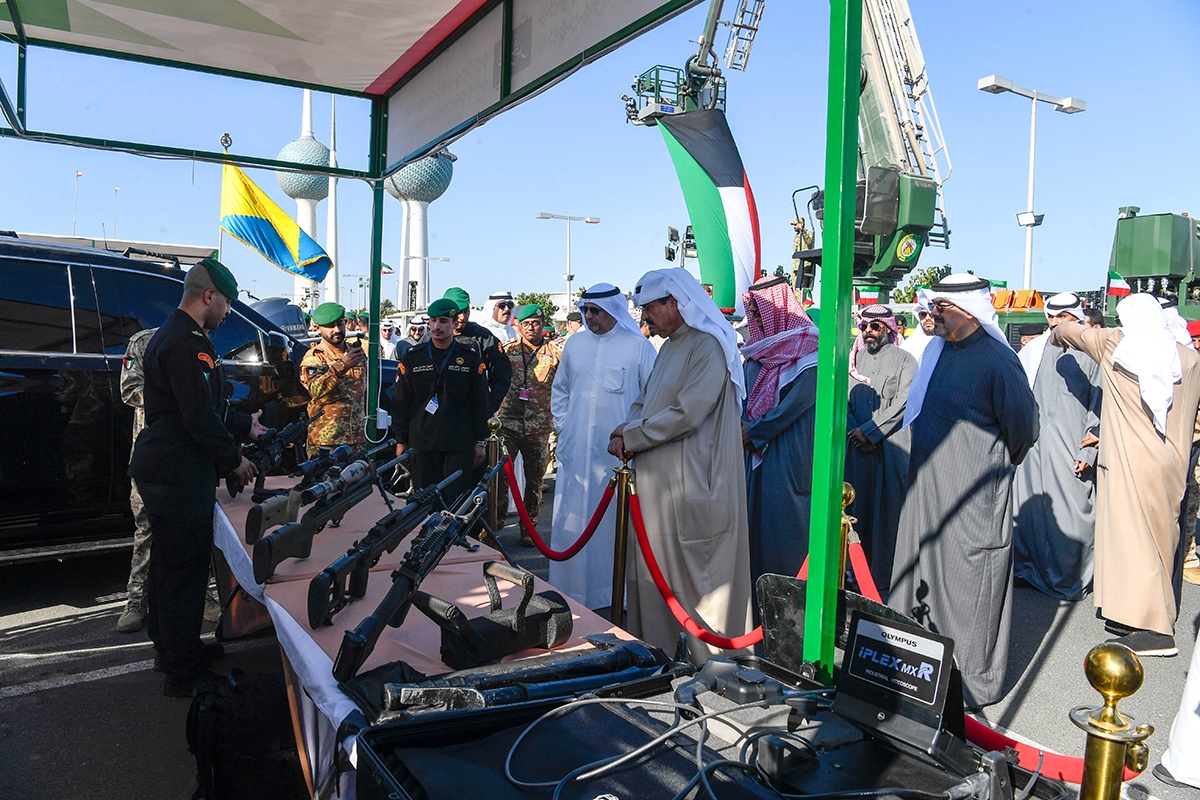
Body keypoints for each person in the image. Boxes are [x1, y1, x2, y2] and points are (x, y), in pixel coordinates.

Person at [888, 274, 1038, 709]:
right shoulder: (937, 351)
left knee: (968, 585)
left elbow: (1024, 430)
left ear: (969, 312)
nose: (932, 314)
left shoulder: (998, 361)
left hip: (973, 497)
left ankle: (970, 683)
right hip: (927, 493)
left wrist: (983, 463)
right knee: (922, 575)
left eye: (941, 307)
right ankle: (919, 669)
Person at [128, 258, 263, 696]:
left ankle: (174, 649)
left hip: (169, 466)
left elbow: (204, 405)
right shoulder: (185, 343)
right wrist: (234, 460)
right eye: (227, 303)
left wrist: (243, 425)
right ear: (209, 296)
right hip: (176, 470)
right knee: (182, 571)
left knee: (171, 567)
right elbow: (197, 415)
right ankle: (182, 671)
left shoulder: (180, 336)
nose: (228, 312)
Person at [609, 268, 754, 661]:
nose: (645, 317)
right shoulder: (670, 347)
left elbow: (687, 413)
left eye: (650, 308)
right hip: (659, 489)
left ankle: (711, 665)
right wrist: (625, 430)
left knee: (699, 583)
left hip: (695, 487)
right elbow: (644, 401)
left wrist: (632, 436)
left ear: (674, 303)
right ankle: (656, 655)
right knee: (656, 577)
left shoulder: (707, 347)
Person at [1052, 294, 1200, 656]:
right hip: (1172, 463)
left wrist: (1055, 334)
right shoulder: (1189, 357)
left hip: (1131, 464)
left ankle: (1156, 632)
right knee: (1160, 538)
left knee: (1137, 543)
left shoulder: (1117, 345)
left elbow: (1070, 332)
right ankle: (1133, 614)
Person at [549, 284, 656, 609]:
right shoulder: (575, 344)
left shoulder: (638, 347)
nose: (589, 316)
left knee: (612, 526)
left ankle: (613, 595)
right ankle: (570, 593)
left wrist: (635, 437)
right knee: (573, 524)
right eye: (586, 310)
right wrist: (566, 427)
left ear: (612, 310)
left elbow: (652, 398)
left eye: (595, 311)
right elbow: (561, 390)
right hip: (577, 453)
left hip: (618, 458)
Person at [117, 327, 222, 633]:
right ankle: (136, 600)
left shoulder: (202, 343)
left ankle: (201, 597)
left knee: (192, 532)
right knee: (146, 527)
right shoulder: (143, 341)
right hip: (153, 455)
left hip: (188, 454)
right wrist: (176, 393)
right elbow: (129, 389)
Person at [1012, 293, 1103, 602]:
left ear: (1076, 317)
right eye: (1051, 317)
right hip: (1034, 447)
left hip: (1072, 447)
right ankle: (1028, 569)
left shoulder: (1093, 352)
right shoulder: (1037, 350)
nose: (1055, 323)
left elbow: (1101, 404)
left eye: (1062, 317)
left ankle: (1069, 579)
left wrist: (1088, 451)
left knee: (1072, 513)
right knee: (1031, 510)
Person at [740, 278, 820, 589]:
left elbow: (795, 405)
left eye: (760, 312)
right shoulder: (756, 354)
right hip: (753, 455)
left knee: (784, 533)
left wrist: (754, 431)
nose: (756, 320)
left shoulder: (810, 351)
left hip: (788, 456)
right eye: (753, 313)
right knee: (752, 529)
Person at [845, 305, 917, 593]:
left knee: (888, 515)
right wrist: (857, 431)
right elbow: (842, 400)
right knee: (856, 513)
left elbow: (904, 402)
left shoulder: (905, 361)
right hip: (856, 449)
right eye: (864, 327)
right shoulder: (852, 360)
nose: (868, 332)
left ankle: (886, 582)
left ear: (889, 328)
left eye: (875, 326)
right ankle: (853, 576)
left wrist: (871, 432)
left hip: (891, 449)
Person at [391, 297, 489, 502]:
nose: (437, 327)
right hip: (422, 442)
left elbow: (480, 402)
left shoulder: (469, 358)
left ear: (454, 323)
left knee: (456, 502)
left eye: (443, 321)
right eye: (433, 321)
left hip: (458, 443)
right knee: (425, 503)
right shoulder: (413, 357)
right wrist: (401, 439)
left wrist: (480, 441)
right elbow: (401, 401)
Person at [495, 305, 562, 547]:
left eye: (535, 323)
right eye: (526, 324)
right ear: (519, 326)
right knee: (500, 477)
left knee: (535, 480)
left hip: (539, 425)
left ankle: (528, 528)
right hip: (508, 423)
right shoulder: (507, 350)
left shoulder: (555, 354)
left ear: (542, 324)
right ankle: (496, 524)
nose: (531, 328)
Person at [422, 287, 512, 415]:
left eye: (466, 311)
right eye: (458, 312)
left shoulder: (483, 337)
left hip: (469, 413)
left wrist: (489, 405)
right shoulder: (429, 339)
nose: (462, 317)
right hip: (434, 413)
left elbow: (502, 374)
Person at [299, 302, 368, 452]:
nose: (337, 330)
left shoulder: (355, 353)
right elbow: (315, 390)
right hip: (327, 442)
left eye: (340, 323)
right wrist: (342, 366)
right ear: (317, 328)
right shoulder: (314, 358)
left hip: (357, 438)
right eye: (330, 326)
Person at [899, 297, 935, 363]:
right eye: (923, 314)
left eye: (931, 314)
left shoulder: (947, 342)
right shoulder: (909, 344)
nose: (927, 318)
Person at [791, 217, 815, 287]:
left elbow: (810, 243)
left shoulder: (808, 233)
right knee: (795, 287)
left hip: (805, 265)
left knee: (802, 287)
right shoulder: (797, 236)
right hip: (796, 266)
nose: (794, 227)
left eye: (796, 224)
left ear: (801, 224)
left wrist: (803, 231)